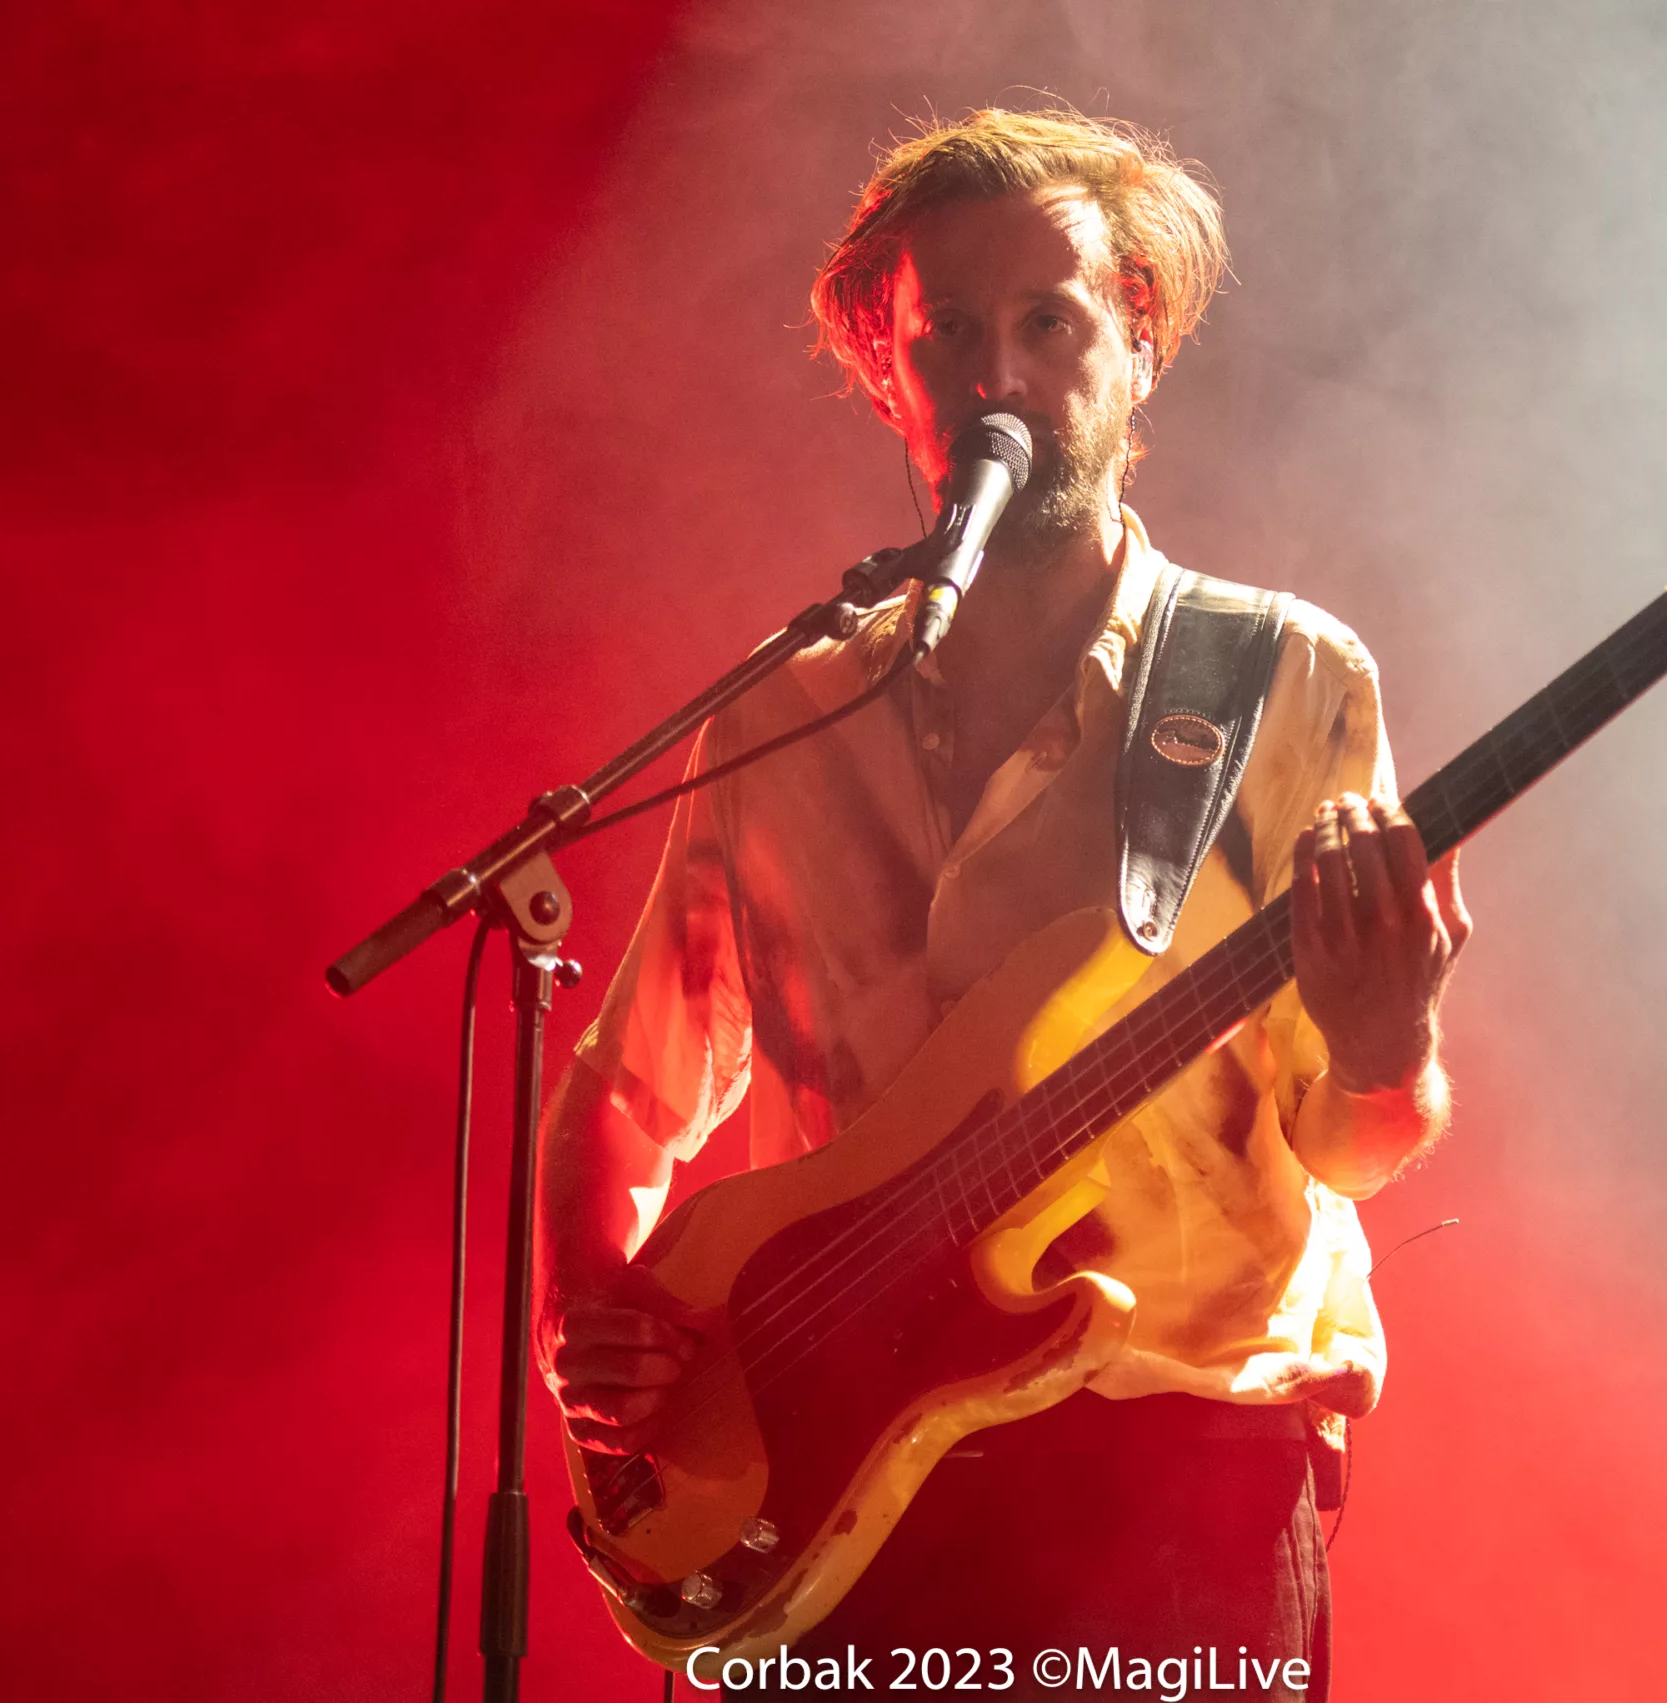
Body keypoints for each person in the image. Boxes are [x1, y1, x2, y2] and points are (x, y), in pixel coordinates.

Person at [533, 108, 1471, 1700]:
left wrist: (1390, 1044)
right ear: (882, 367)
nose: (1001, 374)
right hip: (827, 1483)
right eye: (949, 332)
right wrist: (591, 1304)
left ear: (1138, 338)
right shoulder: (785, 714)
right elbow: (629, 1091)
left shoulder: (1281, 679)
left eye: (1050, 322)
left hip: (1178, 1470)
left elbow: (1352, 1141)